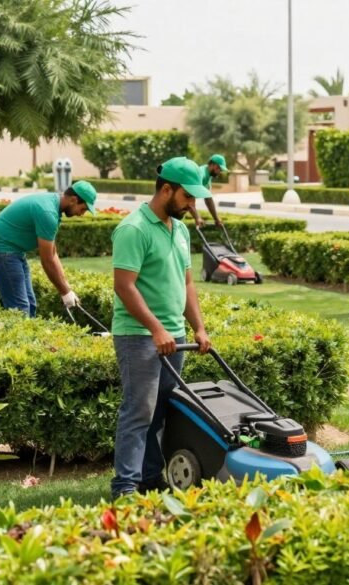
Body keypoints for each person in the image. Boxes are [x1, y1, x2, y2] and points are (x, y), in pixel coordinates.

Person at [110, 157, 212, 499]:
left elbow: (187, 283)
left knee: (163, 410)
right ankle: (125, 485)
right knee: (139, 410)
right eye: (187, 196)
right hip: (138, 336)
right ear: (166, 189)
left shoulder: (179, 229)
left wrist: (199, 328)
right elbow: (124, 286)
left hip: (174, 336)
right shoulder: (133, 229)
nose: (192, 204)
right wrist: (155, 329)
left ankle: (150, 476)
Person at [0, 181, 97, 316]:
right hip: (0, 251)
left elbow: (53, 253)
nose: (82, 214)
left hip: (13, 252)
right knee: (20, 309)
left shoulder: (53, 205)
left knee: (30, 305)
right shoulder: (48, 213)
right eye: (83, 209)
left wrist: (67, 289)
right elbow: (47, 260)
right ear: (73, 200)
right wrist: (64, 292)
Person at [189, 154, 229, 228]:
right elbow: (189, 198)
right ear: (212, 164)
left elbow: (208, 199)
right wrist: (197, 217)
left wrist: (216, 219)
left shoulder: (208, 176)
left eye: (221, 169)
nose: (219, 171)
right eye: (218, 168)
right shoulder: (200, 174)